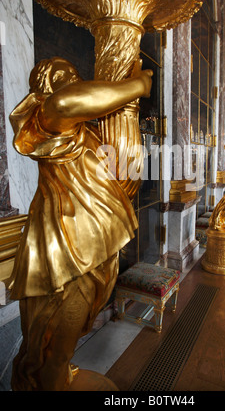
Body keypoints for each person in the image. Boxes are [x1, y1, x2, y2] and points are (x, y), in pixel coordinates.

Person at [7, 57, 153, 391]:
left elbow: (126, 176)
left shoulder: (82, 135)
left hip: (91, 249)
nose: (74, 81)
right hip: (65, 253)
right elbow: (65, 100)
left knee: (65, 343)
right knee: (54, 347)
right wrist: (137, 87)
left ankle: (57, 377)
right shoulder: (49, 118)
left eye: (77, 76)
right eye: (65, 77)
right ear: (44, 88)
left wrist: (127, 108)